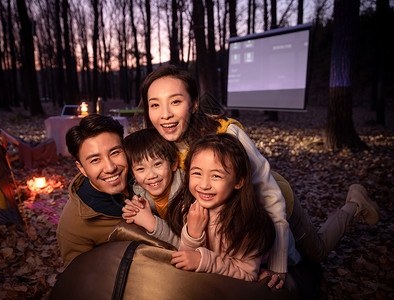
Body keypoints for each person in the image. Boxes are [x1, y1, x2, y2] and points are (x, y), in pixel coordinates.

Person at [138, 64, 380, 288]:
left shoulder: (226, 132)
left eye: (176, 101)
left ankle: (354, 205)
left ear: (194, 103)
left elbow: (268, 193)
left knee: (316, 253)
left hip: (275, 203)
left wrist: (277, 262)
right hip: (233, 219)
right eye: (155, 104)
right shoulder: (160, 145)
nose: (165, 114)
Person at [169, 133, 277, 280]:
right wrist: (193, 235)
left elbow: (247, 274)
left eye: (216, 176)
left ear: (238, 181)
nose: (204, 185)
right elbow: (186, 261)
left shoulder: (246, 223)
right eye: (197, 173)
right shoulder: (189, 209)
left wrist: (204, 261)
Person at [56, 114, 130, 268]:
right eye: (95, 160)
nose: (110, 168)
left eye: (115, 153)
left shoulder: (148, 177)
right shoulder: (73, 226)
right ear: (81, 168)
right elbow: (82, 281)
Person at [122, 128, 182, 237]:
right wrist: (135, 211)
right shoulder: (138, 194)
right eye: (140, 169)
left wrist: (151, 222)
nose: (151, 175)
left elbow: (186, 246)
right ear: (133, 174)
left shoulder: (189, 194)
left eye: (157, 164)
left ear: (173, 164)